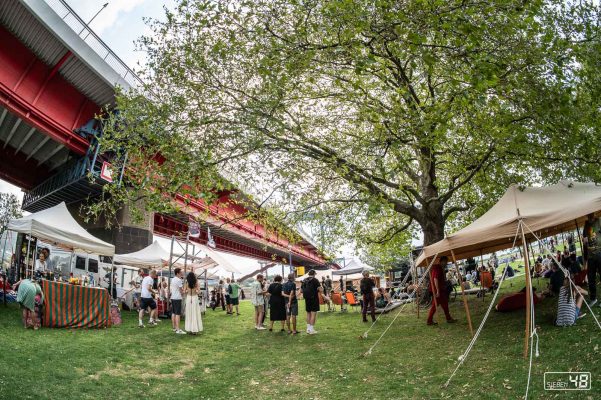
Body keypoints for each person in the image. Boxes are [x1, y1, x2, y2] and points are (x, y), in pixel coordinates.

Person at [427, 256, 457, 326]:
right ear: (442, 261)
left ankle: (448, 318)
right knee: (435, 306)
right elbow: (435, 279)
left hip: (440, 290)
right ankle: (429, 321)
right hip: (438, 291)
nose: (446, 263)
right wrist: (437, 291)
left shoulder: (439, 268)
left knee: (445, 304)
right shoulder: (437, 268)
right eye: (446, 262)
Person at [583, 213, 601, 307]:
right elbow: (584, 240)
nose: (590, 216)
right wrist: (585, 241)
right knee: (591, 279)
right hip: (590, 257)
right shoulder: (586, 225)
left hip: (599, 253)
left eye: (591, 214)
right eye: (588, 215)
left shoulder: (599, 221)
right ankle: (593, 298)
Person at [302, 269, 323, 334]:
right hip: (314, 298)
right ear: (314, 274)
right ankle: (311, 329)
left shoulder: (304, 280)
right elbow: (320, 290)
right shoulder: (315, 280)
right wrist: (321, 288)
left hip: (307, 299)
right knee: (313, 314)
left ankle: (308, 329)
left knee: (308, 313)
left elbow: (301, 291)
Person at [170, 268, 186, 334]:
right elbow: (181, 290)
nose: (182, 273)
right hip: (177, 298)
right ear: (177, 273)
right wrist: (184, 292)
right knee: (177, 314)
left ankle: (174, 328)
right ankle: (178, 329)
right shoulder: (179, 280)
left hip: (173, 297)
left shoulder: (173, 279)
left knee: (174, 313)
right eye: (181, 272)